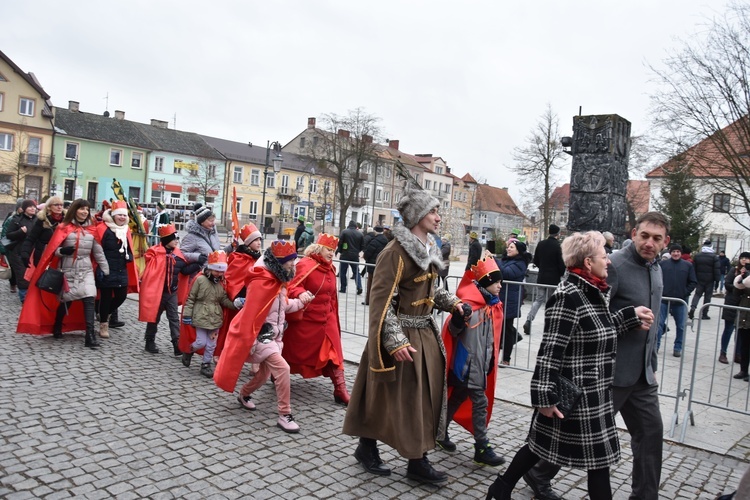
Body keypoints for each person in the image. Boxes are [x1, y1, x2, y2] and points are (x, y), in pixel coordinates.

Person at [486, 231, 652, 500]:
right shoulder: (568, 296)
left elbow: (597, 330)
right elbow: (550, 352)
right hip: (575, 396)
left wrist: (630, 316)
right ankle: (501, 487)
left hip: (592, 394)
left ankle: (501, 487)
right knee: (590, 461)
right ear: (588, 262)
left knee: (541, 446)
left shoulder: (592, 291)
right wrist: (543, 397)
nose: (608, 260)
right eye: (603, 255)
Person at [524, 211, 670, 500]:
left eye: (656, 238)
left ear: (666, 241)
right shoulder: (613, 264)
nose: (649, 243)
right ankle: (538, 472)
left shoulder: (656, 267)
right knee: (572, 431)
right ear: (634, 233)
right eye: (644, 236)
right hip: (607, 376)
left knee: (651, 435)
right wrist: (628, 316)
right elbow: (592, 315)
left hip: (642, 374)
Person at [342, 182, 468, 485]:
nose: (438, 217)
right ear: (418, 215)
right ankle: (413, 459)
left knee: (409, 398)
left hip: (424, 333)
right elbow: (382, 302)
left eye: (438, 211)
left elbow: (430, 290)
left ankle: (379, 449)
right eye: (433, 211)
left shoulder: (429, 249)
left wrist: (454, 304)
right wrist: (394, 340)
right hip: (400, 337)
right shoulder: (394, 252)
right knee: (402, 398)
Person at [214, 241, 314, 433]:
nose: (294, 265)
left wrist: (303, 301)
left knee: (264, 374)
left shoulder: (279, 281)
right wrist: (250, 340)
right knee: (283, 369)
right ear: (280, 262)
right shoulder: (263, 281)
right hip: (262, 337)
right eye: (290, 262)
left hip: (275, 336)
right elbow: (251, 313)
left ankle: (243, 395)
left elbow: (283, 306)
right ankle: (285, 414)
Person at [439, 253, 505, 467]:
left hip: (478, 366)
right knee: (480, 403)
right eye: (496, 282)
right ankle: (482, 446)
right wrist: (458, 318)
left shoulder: (491, 307)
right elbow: (453, 330)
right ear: (486, 283)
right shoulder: (470, 308)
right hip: (466, 367)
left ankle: (439, 432)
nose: (500, 286)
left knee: (458, 397)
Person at [17, 199, 110, 349]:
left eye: (86, 209)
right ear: (75, 210)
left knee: (89, 298)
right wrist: (62, 252)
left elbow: (98, 252)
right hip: (67, 269)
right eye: (81, 209)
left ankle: (90, 335)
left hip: (85, 269)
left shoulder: (93, 230)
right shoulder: (63, 228)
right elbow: (54, 251)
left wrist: (106, 270)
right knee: (67, 300)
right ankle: (58, 324)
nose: (84, 212)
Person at [283, 233, 350, 405]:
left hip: (327, 319)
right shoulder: (305, 264)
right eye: (328, 249)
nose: (331, 254)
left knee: (334, 353)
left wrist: (334, 315)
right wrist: (301, 293)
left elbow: (332, 296)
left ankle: (340, 390)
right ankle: (279, 373)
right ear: (319, 248)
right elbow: (292, 286)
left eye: (333, 251)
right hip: (307, 318)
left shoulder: (331, 268)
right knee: (293, 351)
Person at [139, 225, 201, 355]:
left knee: (173, 318)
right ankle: (149, 340)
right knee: (154, 318)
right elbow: (151, 273)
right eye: (174, 239)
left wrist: (198, 264)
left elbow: (183, 271)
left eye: (177, 239)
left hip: (171, 292)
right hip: (158, 293)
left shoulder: (177, 256)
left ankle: (177, 344)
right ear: (167, 240)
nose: (177, 241)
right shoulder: (156, 254)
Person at [181, 250, 242, 378]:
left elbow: (223, 300)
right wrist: (187, 315)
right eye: (217, 270)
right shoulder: (200, 280)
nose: (219, 273)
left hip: (215, 318)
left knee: (211, 345)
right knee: (200, 342)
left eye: (222, 271)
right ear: (210, 268)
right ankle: (189, 351)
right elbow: (191, 298)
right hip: (201, 316)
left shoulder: (222, 282)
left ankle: (206, 364)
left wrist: (235, 304)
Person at [211, 223, 263, 359]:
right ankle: (220, 353)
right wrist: (236, 298)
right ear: (248, 243)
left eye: (259, 240)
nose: (259, 243)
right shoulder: (239, 258)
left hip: (251, 299)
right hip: (237, 300)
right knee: (229, 328)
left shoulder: (259, 258)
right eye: (256, 240)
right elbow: (232, 279)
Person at [93, 200, 139, 339]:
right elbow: (96, 248)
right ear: (113, 216)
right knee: (106, 297)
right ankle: (103, 325)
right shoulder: (103, 229)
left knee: (121, 296)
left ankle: (104, 314)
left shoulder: (126, 230)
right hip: (106, 268)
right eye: (119, 215)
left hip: (121, 268)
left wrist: (129, 256)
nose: (122, 218)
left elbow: (129, 247)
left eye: (124, 216)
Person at [523, 224, 565, 336]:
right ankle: (550, 325)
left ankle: (529, 319)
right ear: (558, 234)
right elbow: (561, 263)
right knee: (551, 301)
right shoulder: (558, 246)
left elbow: (535, 260)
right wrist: (561, 273)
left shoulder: (541, 244)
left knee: (538, 299)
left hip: (541, 276)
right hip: (553, 278)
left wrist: (542, 267)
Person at [657, 243, 697, 357]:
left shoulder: (688, 266)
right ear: (670, 253)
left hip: (680, 301)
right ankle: (656, 346)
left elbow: (693, 281)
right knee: (659, 325)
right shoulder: (663, 264)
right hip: (664, 300)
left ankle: (678, 347)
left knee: (681, 326)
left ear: (681, 253)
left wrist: (684, 292)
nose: (675, 253)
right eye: (673, 251)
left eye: (678, 252)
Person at [497, 240, 530, 365]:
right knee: (500, 327)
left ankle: (506, 359)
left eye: (511, 247)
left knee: (507, 329)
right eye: (508, 247)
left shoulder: (520, 263)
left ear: (518, 251)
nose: (508, 249)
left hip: (510, 300)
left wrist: (494, 260)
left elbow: (505, 273)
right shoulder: (506, 260)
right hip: (501, 298)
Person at [20, 196, 64, 270]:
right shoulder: (42, 220)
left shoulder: (66, 221)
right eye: (56, 205)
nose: (59, 207)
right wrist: (25, 253)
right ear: (49, 207)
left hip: (61, 256)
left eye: (61, 205)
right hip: (43, 255)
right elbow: (31, 238)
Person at [5, 199, 37, 303]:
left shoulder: (38, 220)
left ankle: (32, 297)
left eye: (34, 206)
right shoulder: (16, 219)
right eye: (30, 206)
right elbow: (8, 235)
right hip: (18, 252)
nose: (32, 208)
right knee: (22, 275)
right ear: (24, 209)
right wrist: (20, 232)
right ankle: (24, 298)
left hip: (33, 252)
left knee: (33, 275)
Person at [719, 254, 747, 365]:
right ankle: (723, 353)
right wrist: (738, 286)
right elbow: (727, 284)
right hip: (732, 303)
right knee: (729, 329)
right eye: (742, 258)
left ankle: (738, 354)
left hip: (744, 305)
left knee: (740, 331)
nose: (744, 260)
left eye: (747, 258)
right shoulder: (734, 270)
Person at [689, 240, 720, 320]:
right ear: (711, 246)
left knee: (697, 294)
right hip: (710, 280)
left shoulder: (697, 256)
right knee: (707, 297)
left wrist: (693, 278)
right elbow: (717, 270)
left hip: (699, 279)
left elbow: (693, 268)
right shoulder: (714, 257)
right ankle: (704, 314)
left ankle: (693, 307)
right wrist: (717, 281)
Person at [731, 264, 750, 382]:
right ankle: (743, 370)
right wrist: (741, 278)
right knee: (744, 345)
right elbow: (736, 292)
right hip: (745, 314)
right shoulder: (746, 273)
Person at [361, 226, 388, 305]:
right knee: (380, 285)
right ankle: (378, 301)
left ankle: (368, 300)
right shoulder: (386, 241)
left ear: (375, 231)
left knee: (370, 284)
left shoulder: (374, 241)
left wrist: (366, 258)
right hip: (382, 266)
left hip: (373, 266)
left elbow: (368, 253)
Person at [1, 199, 24, 293]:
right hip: (12, 248)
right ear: (18, 208)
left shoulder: (29, 219)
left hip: (23, 248)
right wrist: (3, 249)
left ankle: (20, 285)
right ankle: (13, 284)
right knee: (13, 268)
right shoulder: (11, 219)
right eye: (22, 207)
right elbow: (4, 235)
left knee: (22, 267)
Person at [336, 220, 364, 295]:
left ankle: (343, 288)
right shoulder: (360, 234)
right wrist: (357, 251)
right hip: (355, 255)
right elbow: (362, 246)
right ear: (356, 226)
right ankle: (359, 286)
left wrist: (340, 251)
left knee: (343, 271)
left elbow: (340, 243)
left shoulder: (344, 232)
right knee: (356, 272)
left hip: (345, 254)